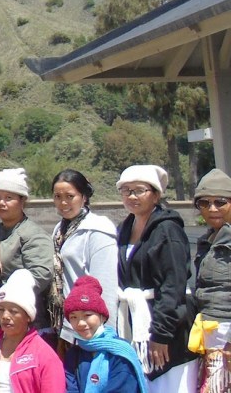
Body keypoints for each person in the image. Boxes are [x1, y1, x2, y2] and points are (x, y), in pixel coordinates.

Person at [113, 165, 195, 391]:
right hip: (137, 325)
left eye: (139, 190)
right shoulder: (125, 227)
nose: (131, 196)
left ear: (156, 194)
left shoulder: (167, 229)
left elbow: (173, 285)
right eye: (126, 190)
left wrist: (161, 334)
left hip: (167, 330)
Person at [0, 269, 65, 393]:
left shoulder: (44, 355)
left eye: (13, 311)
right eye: (1, 310)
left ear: (28, 316)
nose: (5, 316)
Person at [51, 169, 118, 351]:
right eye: (57, 196)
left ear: (84, 197)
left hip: (90, 328)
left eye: (70, 196)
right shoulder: (59, 230)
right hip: (67, 325)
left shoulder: (98, 230)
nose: (63, 202)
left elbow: (106, 286)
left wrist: (106, 336)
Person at [0, 168, 53, 333]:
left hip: (26, 321)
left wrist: (2, 296)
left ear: (22, 200)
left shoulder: (32, 234)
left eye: (9, 198)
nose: (1, 203)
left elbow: (41, 274)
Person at [63, 275, 149, 393]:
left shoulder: (120, 353)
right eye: (73, 317)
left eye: (87, 315)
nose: (80, 323)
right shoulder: (73, 355)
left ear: (102, 317)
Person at [191, 168, 231, 393]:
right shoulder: (208, 239)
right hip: (210, 337)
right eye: (204, 203)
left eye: (220, 202)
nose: (212, 209)